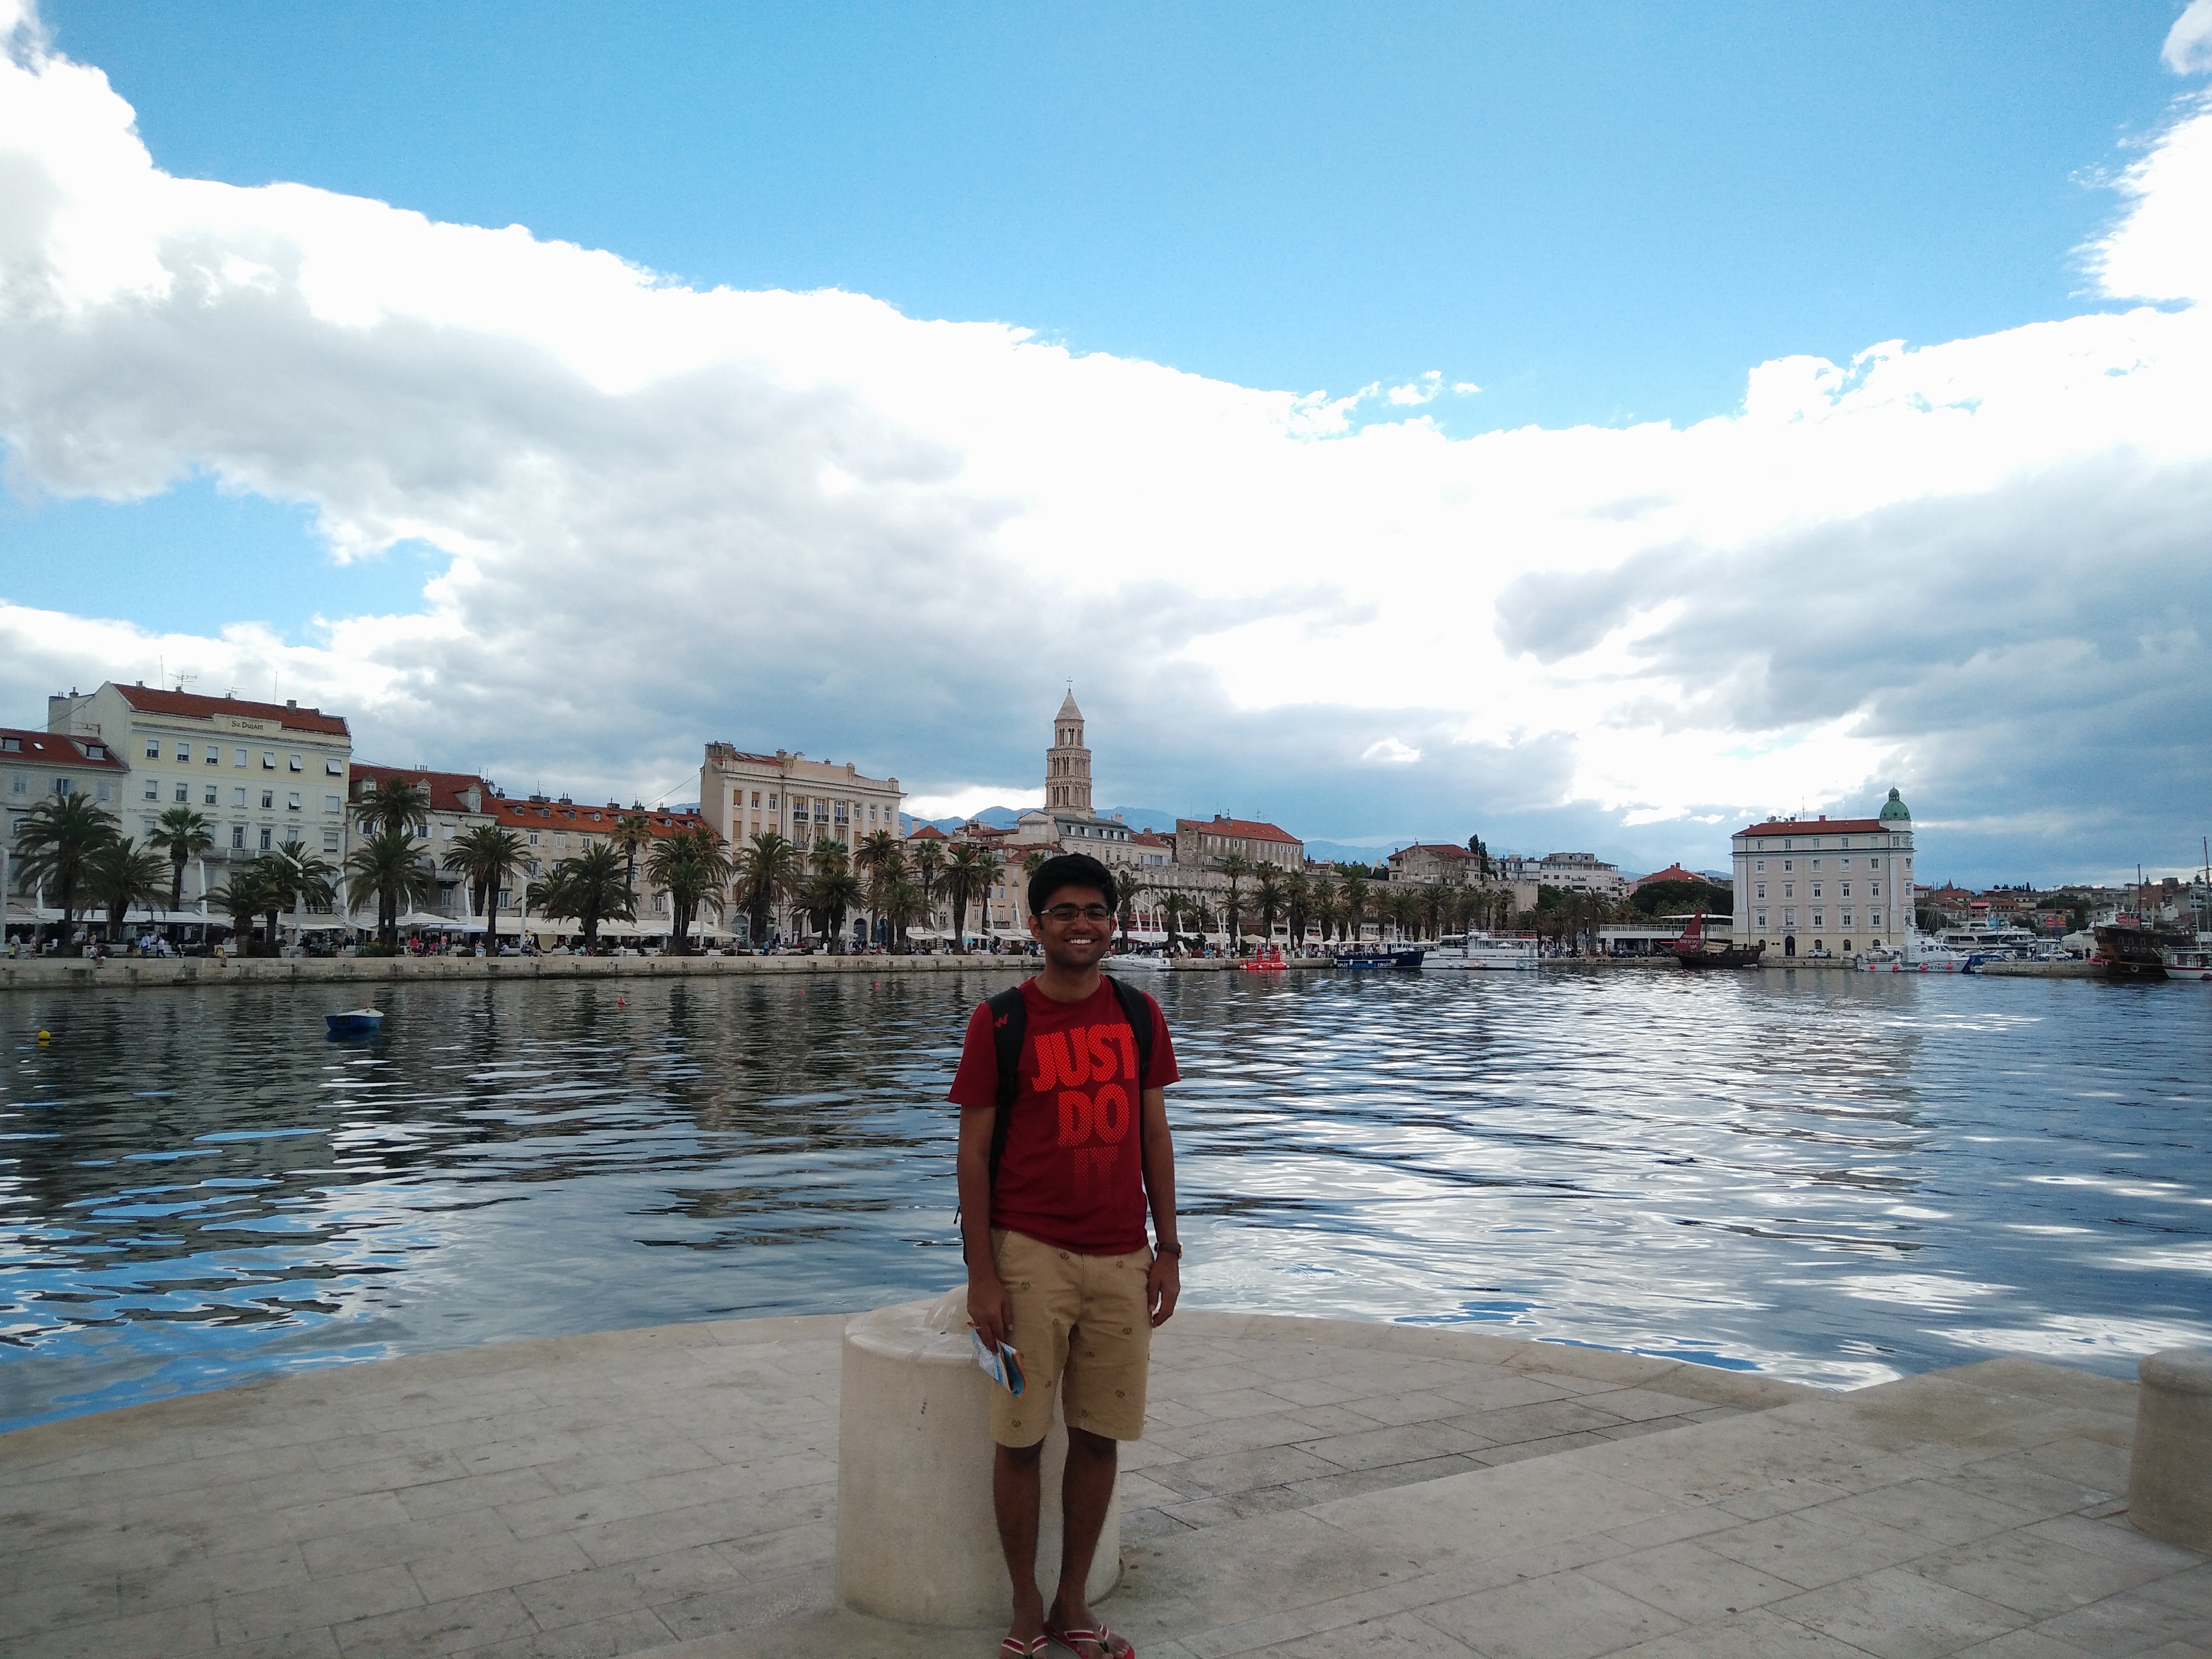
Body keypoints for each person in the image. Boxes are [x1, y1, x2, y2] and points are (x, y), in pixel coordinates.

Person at [948, 852, 1181, 1659]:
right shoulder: (1002, 1022)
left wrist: (1168, 1250)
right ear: (1037, 924)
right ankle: (1023, 1609)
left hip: (1121, 1257)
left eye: (1096, 911)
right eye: (1066, 912)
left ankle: (1072, 1605)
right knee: (1020, 1439)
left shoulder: (1141, 1016)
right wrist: (983, 1272)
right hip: (1029, 1254)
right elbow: (972, 1155)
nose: (1083, 924)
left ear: (1114, 922)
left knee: (1099, 1436)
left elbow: (1155, 1135)